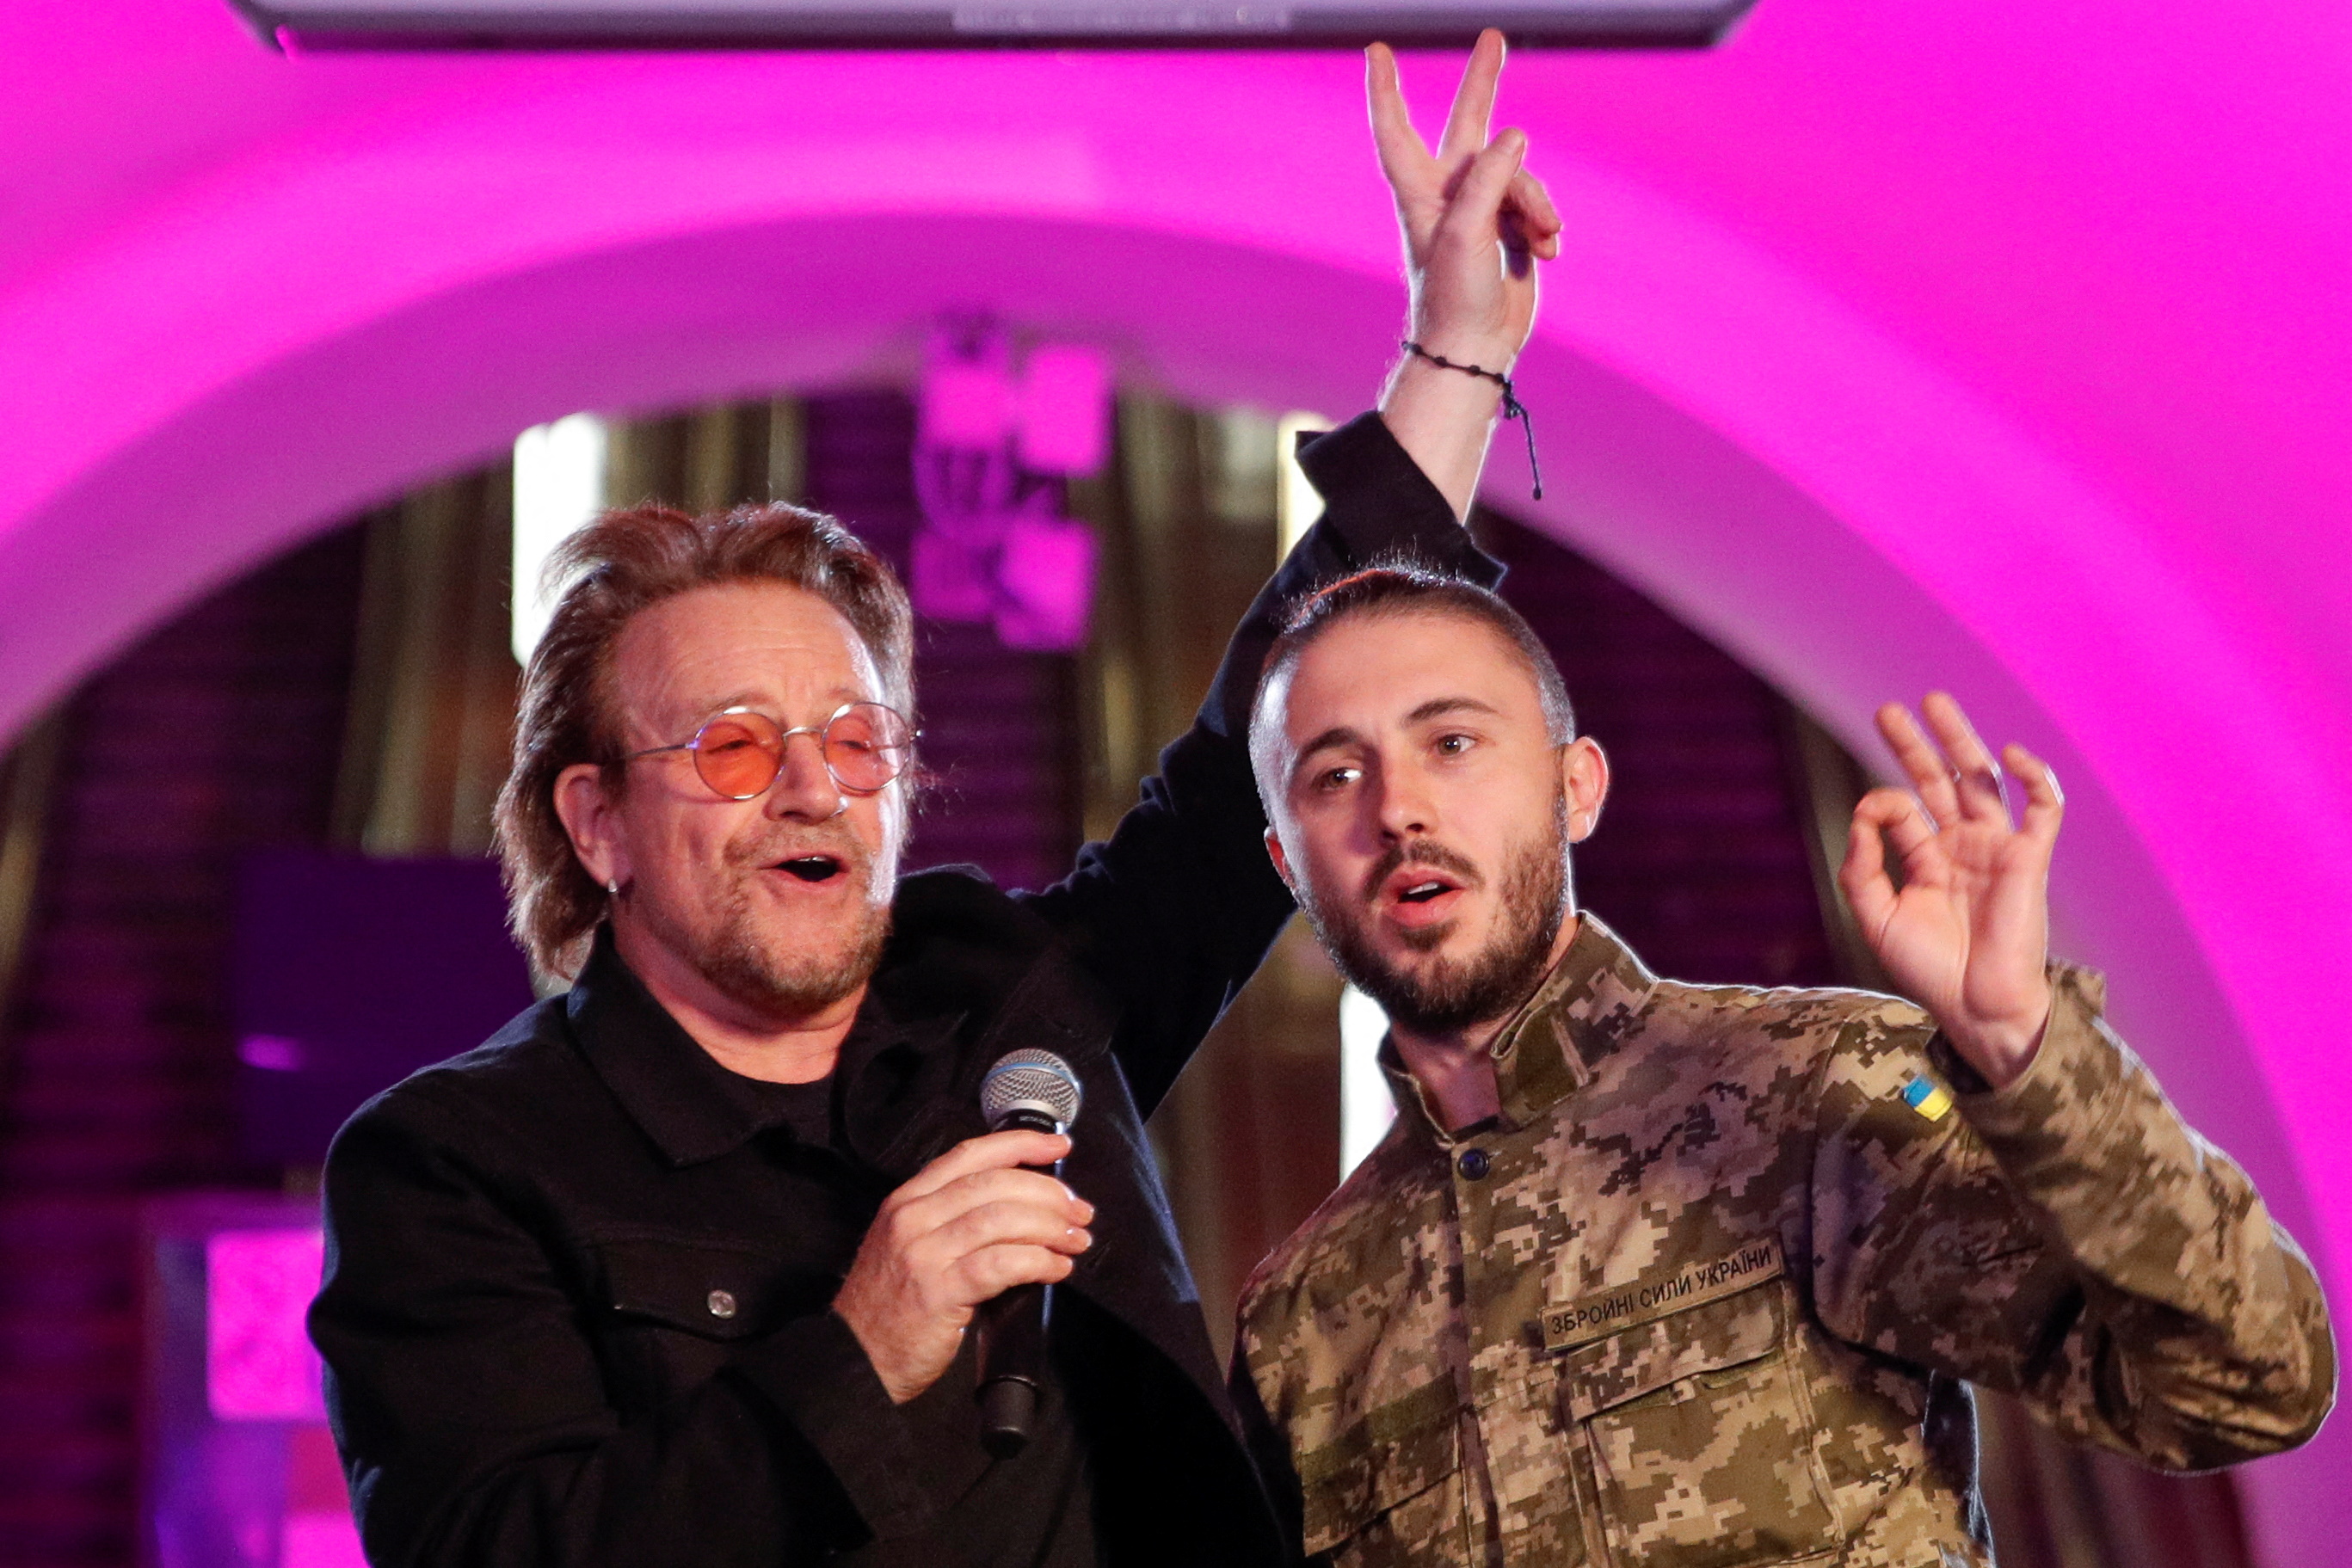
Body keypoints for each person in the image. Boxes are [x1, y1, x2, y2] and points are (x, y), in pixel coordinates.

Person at [306, 33, 1562, 1568]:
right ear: (594, 824)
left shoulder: (1006, 1006)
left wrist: (1450, 355)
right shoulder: (456, 1166)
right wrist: (861, 1344)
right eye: (731, 745)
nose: (810, 787)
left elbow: (1252, 733)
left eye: (853, 736)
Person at [1231, 561, 2337, 1565]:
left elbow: (2252, 1385)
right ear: (1288, 859)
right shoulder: (1302, 1317)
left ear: (1576, 786)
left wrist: (2028, 1050)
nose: (1399, 808)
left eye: (1452, 742)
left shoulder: (1814, 1088)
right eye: (1334, 775)